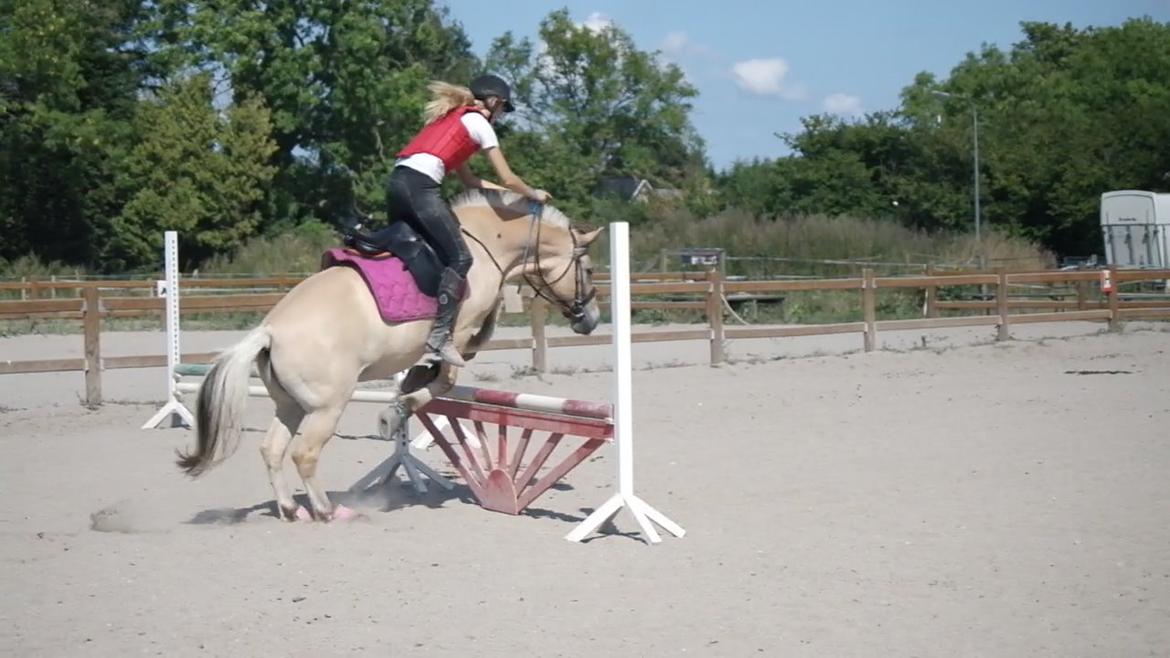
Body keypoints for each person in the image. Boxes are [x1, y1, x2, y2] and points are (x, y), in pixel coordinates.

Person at [390, 74, 551, 368]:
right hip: (420, 188)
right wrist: (533, 194)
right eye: (503, 108)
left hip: (397, 184)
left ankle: (408, 319)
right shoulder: (479, 124)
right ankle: (441, 335)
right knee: (461, 258)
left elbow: (471, 181)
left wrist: (512, 197)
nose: (501, 115)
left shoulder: (453, 120)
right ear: (494, 101)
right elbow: (508, 177)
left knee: (417, 251)